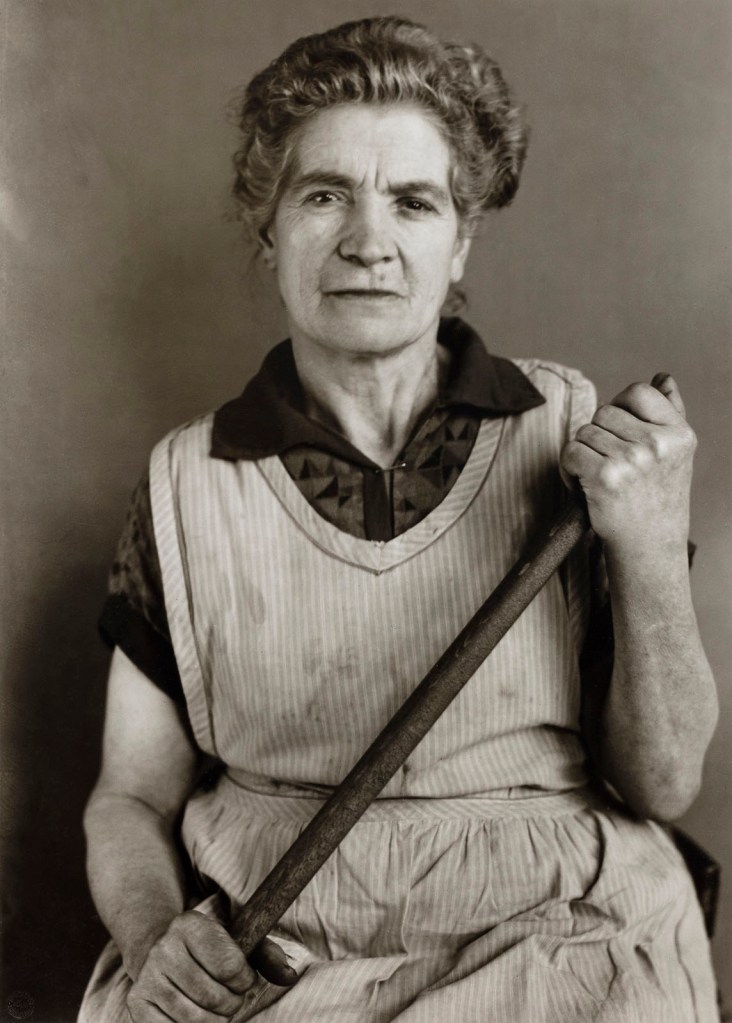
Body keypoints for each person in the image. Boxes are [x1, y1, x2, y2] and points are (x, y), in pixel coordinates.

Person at [79, 16, 720, 1023]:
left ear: (461, 237)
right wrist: (156, 936)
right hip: (277, 950)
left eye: (413, 202)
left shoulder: (571, 439)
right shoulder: (186, 482)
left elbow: (665, 785)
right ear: (272, 226)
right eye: (324, 195)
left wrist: (645, 543)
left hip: (556, 937)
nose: (367, 243)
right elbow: (130, 799)